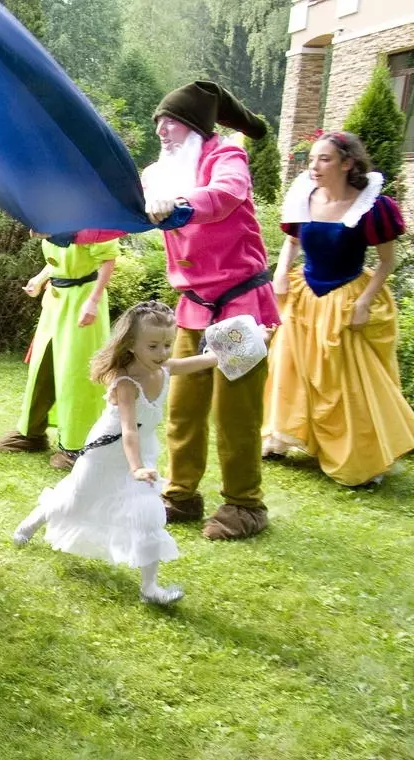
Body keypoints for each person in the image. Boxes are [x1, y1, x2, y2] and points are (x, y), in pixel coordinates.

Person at [137, 81, 281, 541]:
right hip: (193, 309)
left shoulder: (226, 158)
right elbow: (123, 212)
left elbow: (222, 196)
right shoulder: (159, 174)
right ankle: (181, 495)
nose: (161, 129)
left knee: (236, 412)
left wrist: (180, 206)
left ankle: (244, 504)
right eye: (158, 121)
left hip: (239, 306)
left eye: (171, 121)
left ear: (197, 126)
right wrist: (69, 229)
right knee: (182, 407)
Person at [12, 302, 222, 605]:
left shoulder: (165, 369)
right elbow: (129, 430)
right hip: (108, 452)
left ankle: (150, 588)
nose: (162, 353)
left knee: (148, 512)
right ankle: (30, 525)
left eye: (167, 344)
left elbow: (206, 360)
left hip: (142, 454)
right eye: (153, 346)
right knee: (74, 499)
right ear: (131, 345)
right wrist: (135, 467)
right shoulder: (126, 382)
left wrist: (249, 343)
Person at [264, 132, 414, 486]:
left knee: (345, 380)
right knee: (291, 368)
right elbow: (292, 242)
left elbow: (386, 262)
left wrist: (364, 301)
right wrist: (281, 273)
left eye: (325, 159)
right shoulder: (304, 195)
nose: (314, 166)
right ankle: (282, 436)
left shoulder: (373, 206)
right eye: (313, 159)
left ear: (348, 163)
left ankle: (359, 455)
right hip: (304, 295)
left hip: (346, 296)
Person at [0, 235, 118, 470]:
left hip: (83, 300)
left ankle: (77, 445)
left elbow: (107, 259)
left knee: (75, 373)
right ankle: (32, 433)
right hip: (56, 300)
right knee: (43, 365)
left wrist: (93, 301)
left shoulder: (92, 218)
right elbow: (57, 261)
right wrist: (40, 278)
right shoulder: (50, 215)